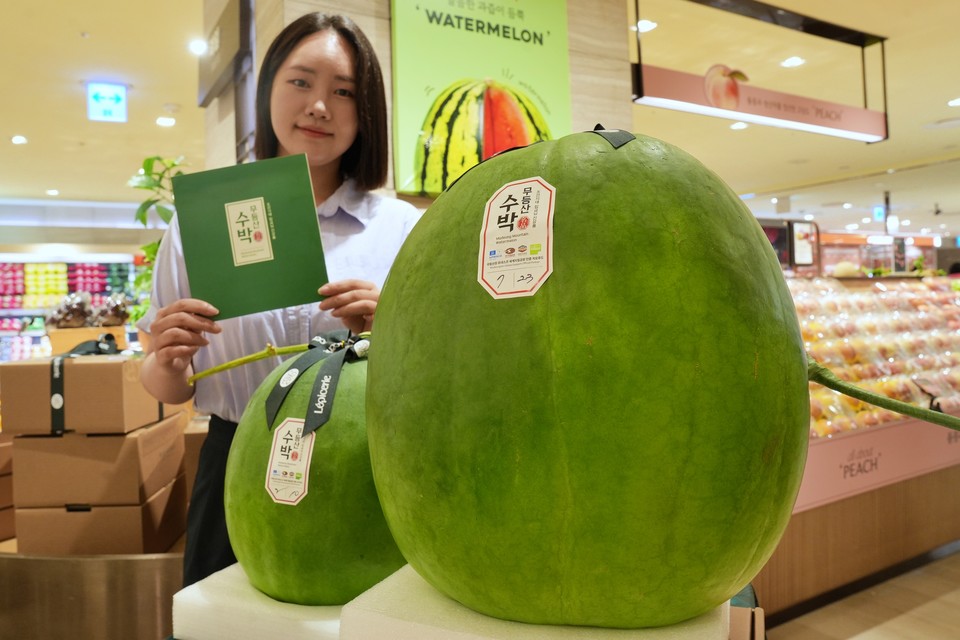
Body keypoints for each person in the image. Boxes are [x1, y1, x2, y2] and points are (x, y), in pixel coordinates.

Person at [137, 13, 421, 587]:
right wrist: (167, 359)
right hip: (231, 461)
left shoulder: (401, 229)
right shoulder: (200, 223)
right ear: (268, 88)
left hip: (360, 466)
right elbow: (167, 384)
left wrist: (393, 328)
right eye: (301, 82)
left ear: (366, 112)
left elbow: (432, 372)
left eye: (343, 92)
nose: (320, 106)